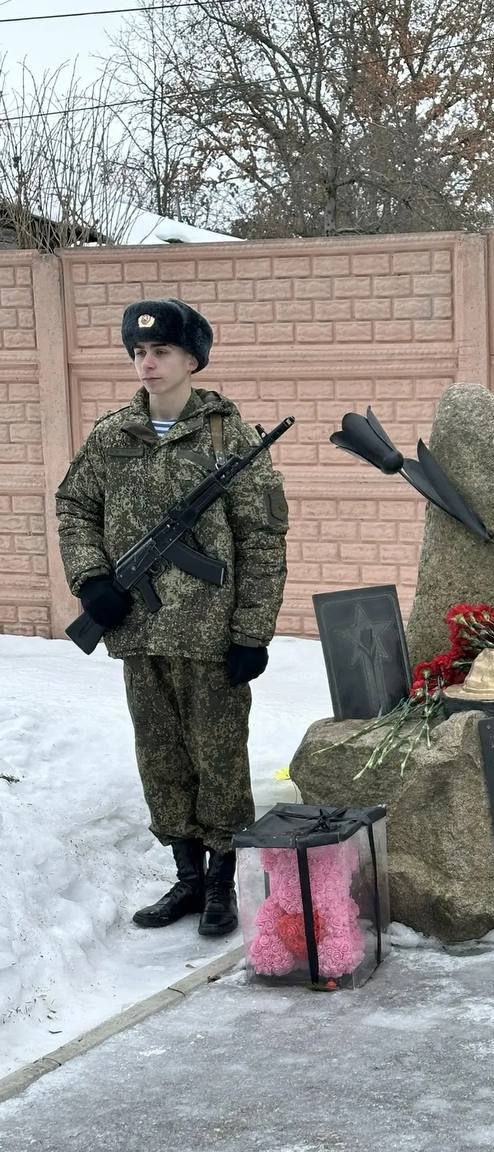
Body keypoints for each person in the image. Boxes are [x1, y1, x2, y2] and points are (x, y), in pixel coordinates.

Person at [56, 299, 288, 937]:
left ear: (192, 360)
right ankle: (186, 877)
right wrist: (92, 578)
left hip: (211, 638)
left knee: (218, 759)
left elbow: (262, 540)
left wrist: (251, 632)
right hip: (138, 632)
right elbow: (75, 504)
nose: (147, 362)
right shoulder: (113, 435)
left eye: (160, 352)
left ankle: (221, 881)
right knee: (159, 757)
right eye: (138, 352)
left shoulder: (228, 438)